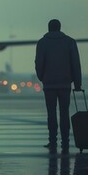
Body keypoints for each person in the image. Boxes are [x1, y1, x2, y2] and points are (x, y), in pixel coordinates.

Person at [35, 19, 82, 154]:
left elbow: (39, 63)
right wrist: (77, 83)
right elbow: (76, 64)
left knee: (51, 113)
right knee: (64, 113)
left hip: (49, 84)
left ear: (49, 28)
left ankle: (52, 140)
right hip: (65, 84)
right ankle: (65, 141)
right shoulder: (70, 42)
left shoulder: (42, 43)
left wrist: (42, 78)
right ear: (60, 28)